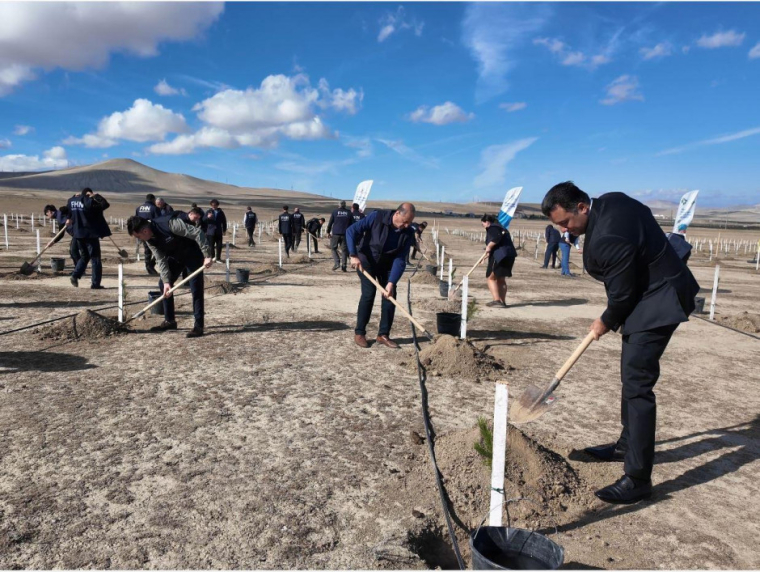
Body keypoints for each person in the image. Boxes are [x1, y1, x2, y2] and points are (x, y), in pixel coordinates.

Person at [541, 181, 700, 504]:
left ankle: (638, 478)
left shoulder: (606, 238)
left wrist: (605, 321)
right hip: (651, 292)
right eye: (558, 225)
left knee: (638, 384)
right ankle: (627, 445)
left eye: (565, 222)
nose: (563, 230)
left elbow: (623, 295)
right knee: (631, 376)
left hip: (659, 301)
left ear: (582, 207)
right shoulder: (612, 200)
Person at [127, 213, 214, 338]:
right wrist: (167, 282)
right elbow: (161, 260)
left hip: (192, 254)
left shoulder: (170, 224)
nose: (140, 240)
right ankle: (170, 321)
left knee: (196, 288)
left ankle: (198, 326)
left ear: (144, 231)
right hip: (175, 257)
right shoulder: (149, 240)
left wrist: (207, 255)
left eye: (139, 236)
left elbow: (197, 233)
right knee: (163, 284)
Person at [346, 203, 416, 349]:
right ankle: (360, 333)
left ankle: (383, 335)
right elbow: (351, 231)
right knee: (369, 293)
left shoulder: (408, 232)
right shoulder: (377, 217)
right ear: (397, 213)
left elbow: (400, 259)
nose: (406, 225)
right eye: (405, 222)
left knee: (390, 296)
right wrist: (353, 255)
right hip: (366, 262)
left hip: (388, 265)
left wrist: (391, 282)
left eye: (409, 222)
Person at [67, 187, 111, 289]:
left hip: (78, 234)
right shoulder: (90, 202)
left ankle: (75, 275)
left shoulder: (71, 201)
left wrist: (74, 197)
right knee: (95, 259)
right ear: (88, 193)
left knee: (84, 256)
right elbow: (105, 205)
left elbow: (69, 212)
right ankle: (95, 284)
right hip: (90, 234)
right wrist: (96, 196)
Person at [480, 214, 517, 307]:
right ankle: (502, 301)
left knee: (491, 278)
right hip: (510, 255)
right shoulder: (502, 228)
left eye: (482, 224)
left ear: (487, 222)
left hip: (500, 256)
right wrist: (485, 256)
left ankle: (497, 300)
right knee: (501, 279)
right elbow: (499, 242)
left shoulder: (493, 228)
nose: (483, 226)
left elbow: (496, 238)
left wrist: (489, 246)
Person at [135, 193, 161, 275]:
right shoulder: (154, 208)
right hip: (152, 232)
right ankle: (151, 265)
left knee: (147, 250)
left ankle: (148, 266)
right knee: (159, 249)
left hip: (141, 232)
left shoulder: (139, 208)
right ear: (153, 200)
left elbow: (135, 221)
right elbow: (159, 220)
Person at [327, 200, 351, 271]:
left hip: (336, 233)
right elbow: (352, 224)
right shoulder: (349, 212)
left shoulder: (335, 212)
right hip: (345, 234)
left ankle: (337, 263)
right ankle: (344, 266)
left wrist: (328, 231)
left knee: (333, 248)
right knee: (344, 250)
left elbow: (330, 222)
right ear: (345, 205)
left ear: (339, 205)